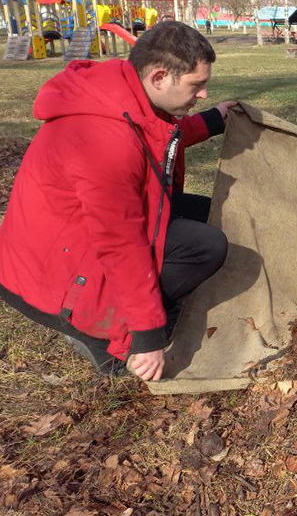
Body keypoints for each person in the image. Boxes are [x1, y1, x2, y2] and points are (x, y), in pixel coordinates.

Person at [0, 22, 237, 382]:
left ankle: (130, 314)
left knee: (209, 214)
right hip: (51, 279)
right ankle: (102, 334)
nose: (203, 93)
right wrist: (146, 336)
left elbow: (156, 135)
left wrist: (213, 120)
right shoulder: (104, 142)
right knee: (207, 246)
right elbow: (120, 244)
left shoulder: (122, 94)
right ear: (159, 77)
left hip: (70, 243)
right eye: (196, 85)